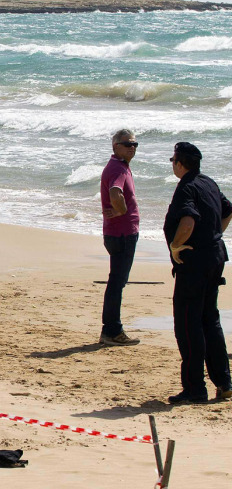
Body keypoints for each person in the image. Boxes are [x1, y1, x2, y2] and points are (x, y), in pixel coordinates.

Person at [163, 142, 232, 404]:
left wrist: (176, 245)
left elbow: (188, 221)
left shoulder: (187, 186)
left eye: (173, 160)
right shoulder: (208, 182)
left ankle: (195, 388)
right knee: (210, 320)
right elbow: (228, 210)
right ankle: (224, 383)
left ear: (180, 164)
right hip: (215, 258)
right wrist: (213, 236)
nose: (172, 164)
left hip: (195, 264)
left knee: (188, 324)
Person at [99, 129, 142, 346]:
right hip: (122, 234)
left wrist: (119, 211)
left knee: (116, 281)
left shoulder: (119, 165)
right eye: (127, 144)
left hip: (116, 232)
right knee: (117, 282)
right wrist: (122, 211)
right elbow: (116, 191)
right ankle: (112, 330)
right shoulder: (118, 168)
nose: (132, 148)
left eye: (135, 144)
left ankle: (111, 329)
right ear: (116, 146)